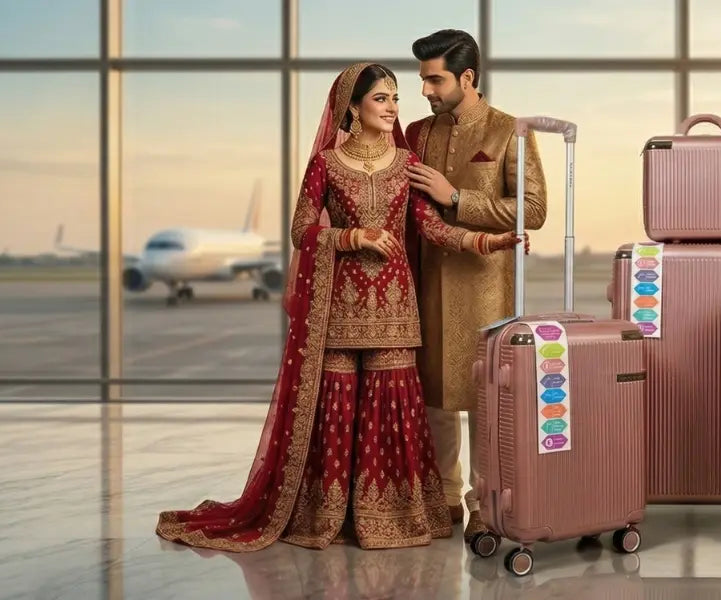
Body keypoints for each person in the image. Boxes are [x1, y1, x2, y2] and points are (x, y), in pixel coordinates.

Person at [155, 62, 523, 552]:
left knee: (389, 410)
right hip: (339, 308)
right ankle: (328, 513)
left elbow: (431, 227)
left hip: (393, 307)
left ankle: (392, 512)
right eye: (382, 99)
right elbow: (300, 231)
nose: (394, 107)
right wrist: (351, 236)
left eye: (396, 97)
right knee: (337, 409)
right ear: (353, 106)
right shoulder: (326, 165)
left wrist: (487, 241)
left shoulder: (404, 162)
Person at [402, 29, 548, 538]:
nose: (425, 90)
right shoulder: (416, 133)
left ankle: (485, 504)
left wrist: (456, 197)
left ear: (467, 77)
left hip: (486, 284)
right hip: (424, 283)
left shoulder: (510, 131)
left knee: (484, 396)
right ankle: (441, 498)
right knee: (434, 397)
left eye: (435, 79)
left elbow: (532, 211)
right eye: (422, 80)